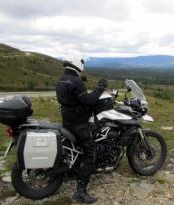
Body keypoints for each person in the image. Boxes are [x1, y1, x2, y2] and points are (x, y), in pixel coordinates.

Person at [56, 56, 108, 204]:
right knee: (91, 152)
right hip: (78, 123)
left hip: (67, 119)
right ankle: (81, 191)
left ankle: (74, 170)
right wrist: (100, 88)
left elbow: (74, 97)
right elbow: (89, 101)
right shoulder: (76, 81)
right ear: (78, 63)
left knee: (81, 147)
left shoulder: (62, 78)